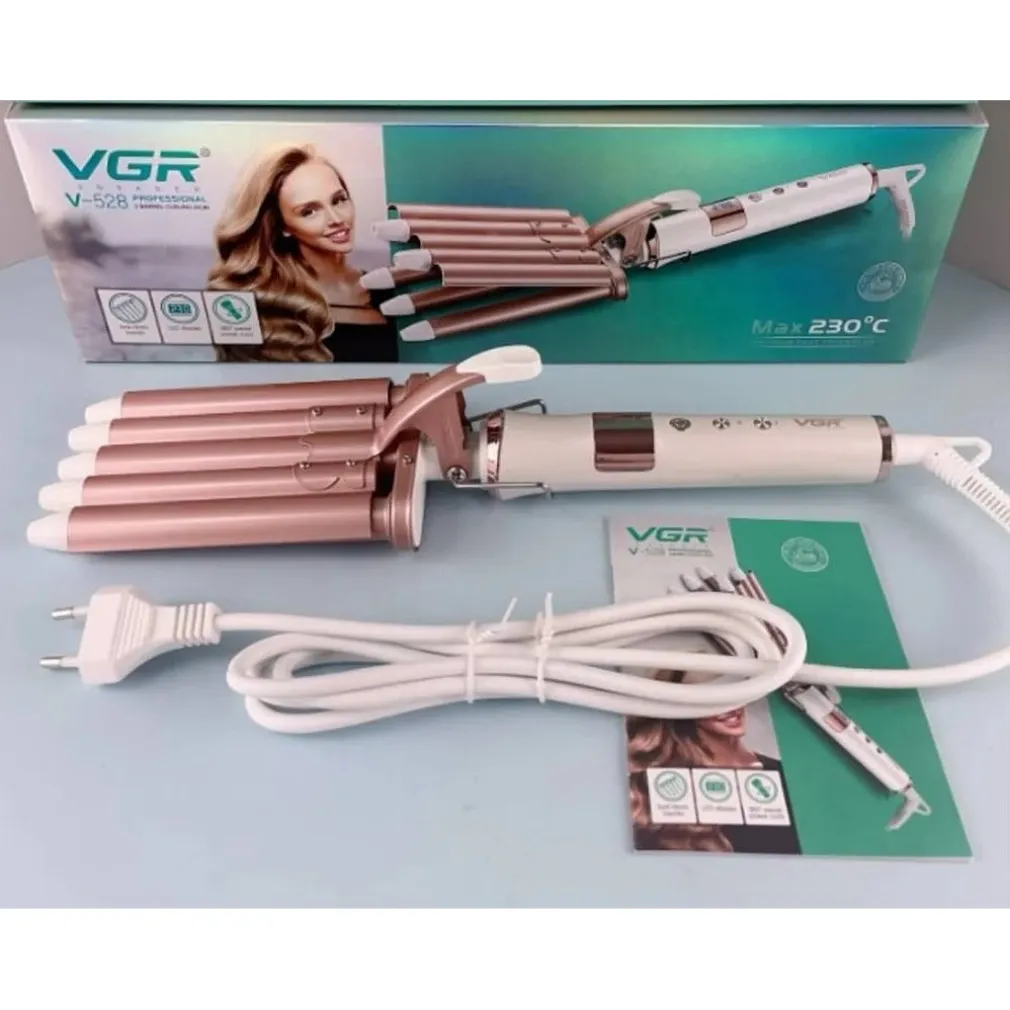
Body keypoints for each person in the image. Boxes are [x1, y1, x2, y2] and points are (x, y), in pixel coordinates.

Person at [207, 144, 399, 363]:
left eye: (339, 200)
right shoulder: (263, 306)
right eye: (309, 212)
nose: (336, 219)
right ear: (282, 226)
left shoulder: (389, 291)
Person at [627, 668, 800, 854]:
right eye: (709, 697)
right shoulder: (665, 784)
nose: (729, 707)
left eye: (733, 691)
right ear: (678, 708)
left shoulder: (782, 776)